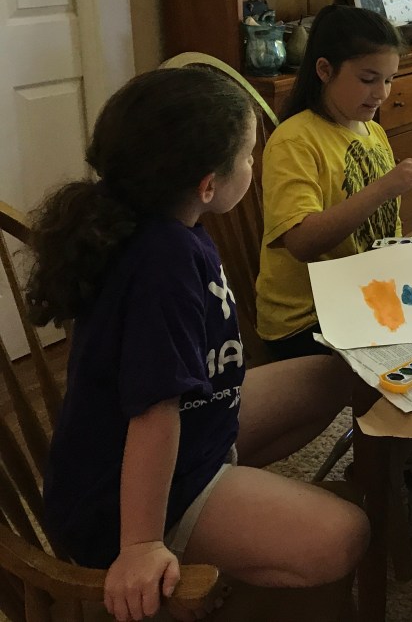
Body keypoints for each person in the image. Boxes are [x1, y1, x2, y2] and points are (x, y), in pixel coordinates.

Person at [27, 68, 369, 622]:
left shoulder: (170, 225)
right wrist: (140, 545)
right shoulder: (160, 263)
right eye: (250, 156)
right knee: (345, 535)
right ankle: (186, 543)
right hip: (125, 495)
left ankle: (225, 515)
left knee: (333, 375)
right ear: (208, 184)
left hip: (196, 428)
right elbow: (153, 412)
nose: (254, 166)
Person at [256, 4, 412, 357]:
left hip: (362, 296)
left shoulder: (372, 131)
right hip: (306, 321)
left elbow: (385, 229)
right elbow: (302, 242)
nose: (382, 93)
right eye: (368, 79)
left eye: (389, 79)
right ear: (325, 70)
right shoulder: (295, 140)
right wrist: (384, 187)